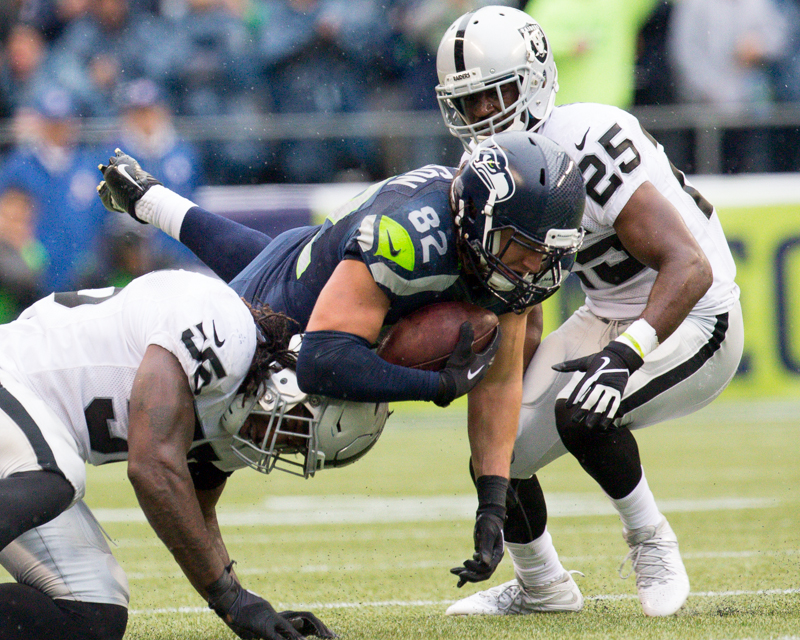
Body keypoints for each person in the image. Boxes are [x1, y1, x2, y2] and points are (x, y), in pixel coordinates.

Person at [96, 128, 587, 590]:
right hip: (288, 316)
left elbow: (499, 385)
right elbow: (321, 362)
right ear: (478, 216)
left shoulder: (507, 253)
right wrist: (435, 388)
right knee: (215, 455)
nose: (531, 266)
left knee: (274, 260)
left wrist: (492, 506)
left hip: (312, 264)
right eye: (522, 247)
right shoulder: (408, 235)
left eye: (545, 253)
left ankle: (149, 199)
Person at [435, 5, 743, 617]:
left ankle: (650, 537)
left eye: (494, 96)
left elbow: (689, 265)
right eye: (467, 104)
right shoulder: (493, 170)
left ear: (534, 80)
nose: (482, 118)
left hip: (695, 314)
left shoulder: (589, 140)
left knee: (586, 407)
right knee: (498, 442)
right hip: (607, 311)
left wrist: (626, 352)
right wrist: (500, 381)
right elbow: (529, 295)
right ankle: (542, 585)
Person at [0, 267, 389, 640]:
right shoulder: (225, 330)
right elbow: (152, 467)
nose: (283, 444)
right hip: (10, 375)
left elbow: (196, 511)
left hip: (26, 440)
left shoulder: (231, 413)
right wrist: (229, 598)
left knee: (91, 615)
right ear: (292, 386)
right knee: (55, 478)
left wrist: (245, 606)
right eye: (297, 433)